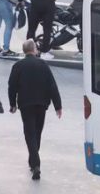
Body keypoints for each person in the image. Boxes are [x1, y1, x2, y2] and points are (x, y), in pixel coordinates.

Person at [8, 39, 63, 180]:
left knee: (29, 133)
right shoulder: (43, 65)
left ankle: (35, 163)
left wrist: (12, 104)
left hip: (26, 104)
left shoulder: (18, 66)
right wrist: (58, 106)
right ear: (35, 50)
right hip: (41, 104)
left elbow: (12, 86)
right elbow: (52, 85)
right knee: (37, 132)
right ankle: (34, 161)